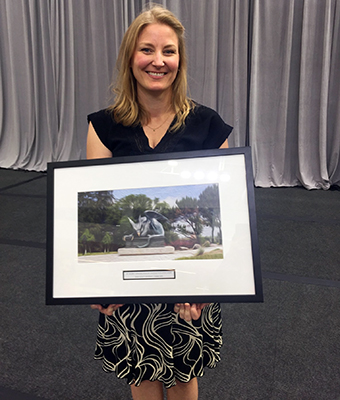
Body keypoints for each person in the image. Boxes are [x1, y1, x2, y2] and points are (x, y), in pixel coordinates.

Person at [87, 4, 232, 400]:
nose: (158, 61)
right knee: (142, 375)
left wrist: (209, 286)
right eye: (147, 49)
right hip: (128, 287)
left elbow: (227, 210)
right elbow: (96, 213)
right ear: (130, 57)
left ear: (179, 60)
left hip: (189, 289)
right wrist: (93, 284)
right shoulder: (104, 126)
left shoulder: (207, 125)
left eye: (168, 51)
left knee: (185, 376)